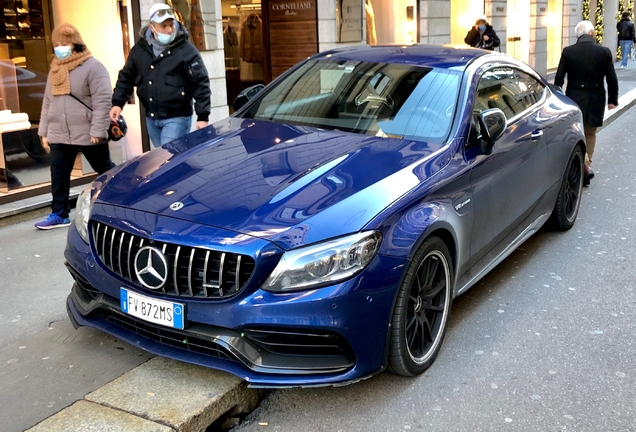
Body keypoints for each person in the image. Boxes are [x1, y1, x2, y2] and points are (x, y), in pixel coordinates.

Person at [36, 23, 114, 230]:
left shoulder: (93, 67)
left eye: (65, 43)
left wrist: (98, 129)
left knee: (105, 170)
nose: (60, 47)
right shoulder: (56, 68)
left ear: (77, 44)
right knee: (59, 174)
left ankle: (121, 202)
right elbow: (47, 101)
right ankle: (60, 214)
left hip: (87, 131)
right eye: (57, 44)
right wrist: (44, 131)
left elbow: (103, 100)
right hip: (59, 132)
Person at [110, 3, 211, 148]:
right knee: (167, 161)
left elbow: (201, 82)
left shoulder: (186, 50)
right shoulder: (140, 50)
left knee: (167, 158)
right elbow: (126, 76)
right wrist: (118, 103)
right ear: (152, 27)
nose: (169, 30)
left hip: (177, 117)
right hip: (151, 117)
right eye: (163, 26)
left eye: (171, 24)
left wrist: (202, 116)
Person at [554, 20, 618, 187]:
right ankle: (586, 165)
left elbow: (559, 79)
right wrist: (613, 100)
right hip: (596, 98)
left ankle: (581, 166)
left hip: (574, 98)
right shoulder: (604, 52)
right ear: (591, 33)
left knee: (575, 133)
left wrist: (556, 100)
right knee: (590, 133)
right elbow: (612, 79)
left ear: (578, 35)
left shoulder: (569, 51)